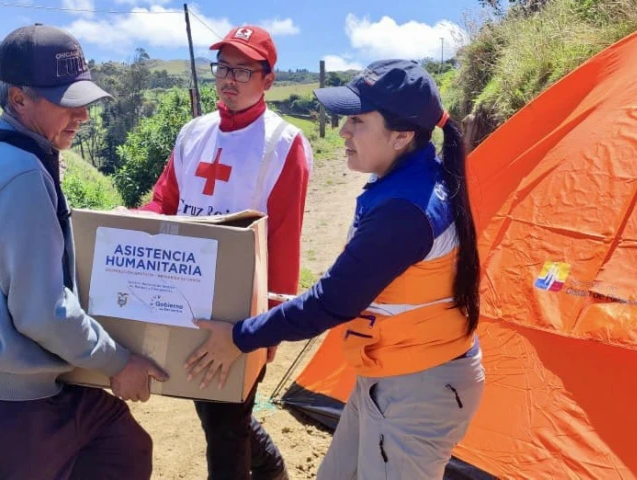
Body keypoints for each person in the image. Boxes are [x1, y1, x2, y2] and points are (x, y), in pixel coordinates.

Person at [185, 59, 486, 479]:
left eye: (358, 121)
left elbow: (332, 301)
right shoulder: (407, 182)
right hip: (391, 374)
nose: (343, 130)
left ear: (401, 136)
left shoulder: (405, 209)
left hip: (419, 389)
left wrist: (239, 337)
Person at [0, 24, 167, 480]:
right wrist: (119, 361)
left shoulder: (4, 153)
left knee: (124, 450)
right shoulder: (17, 172)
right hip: (0, 402)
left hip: (44, 385)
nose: (81, 115)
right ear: (19, 99)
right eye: (67, 101)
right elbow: (40, 311)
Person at [141, 24, 313, 480]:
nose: (229, 79)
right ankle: (271, 466)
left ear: (268, 80)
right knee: (210, 404)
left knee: (224, 422)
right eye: (223, 67)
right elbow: (164, 200)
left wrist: (270, 327)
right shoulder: (193, 132)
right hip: (184, 292)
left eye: (243, 70)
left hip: (241, 305)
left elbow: (285, 238)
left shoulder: (284, 144)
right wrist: (134, 221)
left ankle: (266, 468)